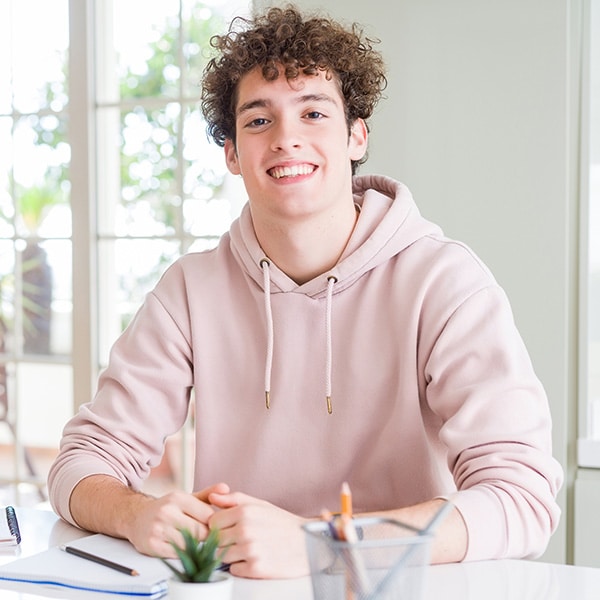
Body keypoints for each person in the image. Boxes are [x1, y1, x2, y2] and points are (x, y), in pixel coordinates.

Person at [48, 4, 563, 579]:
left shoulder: (446, 283)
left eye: (313, 113)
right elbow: (80, 463)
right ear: (232, 155)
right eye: (259, 121)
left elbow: (522, 500)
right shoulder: (190, 290)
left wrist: (326, 545)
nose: (287, 139)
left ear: (356, 136)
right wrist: (136, 514)